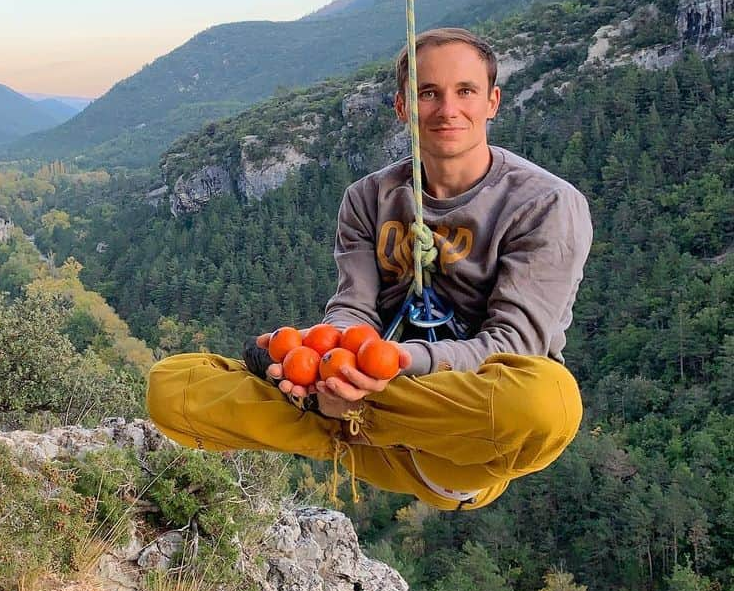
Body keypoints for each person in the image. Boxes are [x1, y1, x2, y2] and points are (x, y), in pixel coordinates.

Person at [147, 27, 592, 510]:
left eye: (465, 91)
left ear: (492, 101)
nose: (447, 110)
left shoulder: (546, 203)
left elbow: (514, 345)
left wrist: (388, 372)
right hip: (366, 409)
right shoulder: (368, 197)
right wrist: (320, 354)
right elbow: (353, 309)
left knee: (549, 404)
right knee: (171, 387)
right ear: (402, 107)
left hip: (460, 442)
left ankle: (342, 413)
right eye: (427, 93)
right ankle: (339, 410)